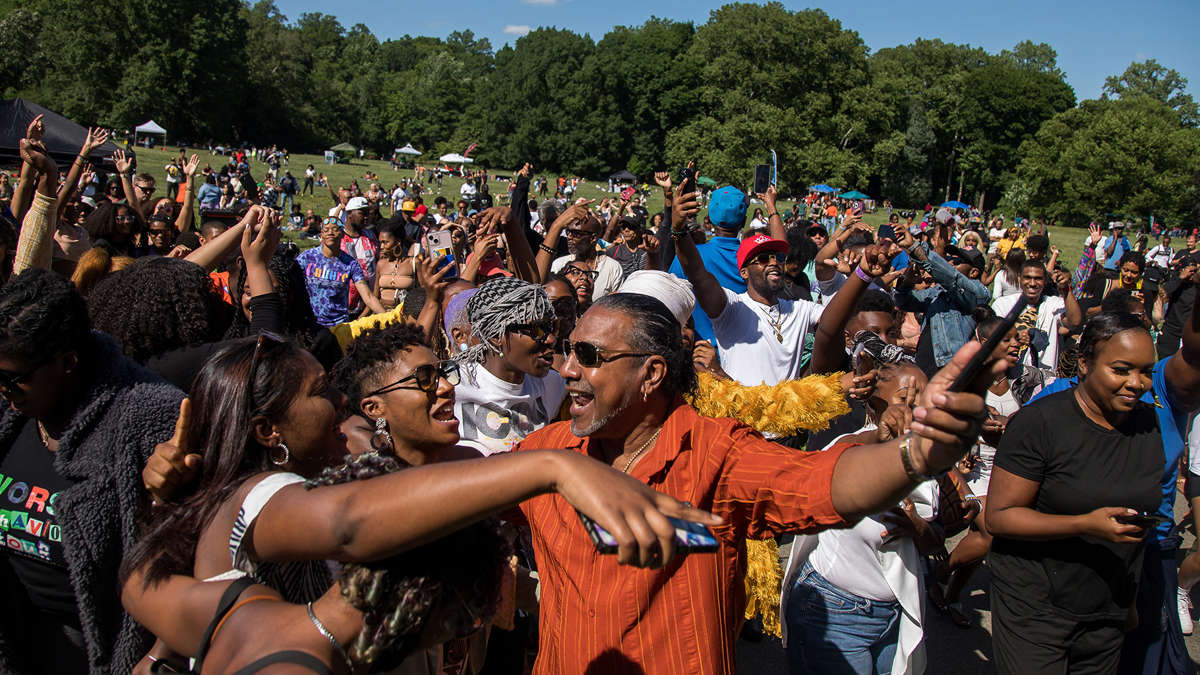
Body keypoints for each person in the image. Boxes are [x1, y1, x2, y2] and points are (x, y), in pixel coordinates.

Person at [514, 288, 1005, 674]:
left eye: (588, 355)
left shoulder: (715, 456)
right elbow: (478, 494)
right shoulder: (548, 452)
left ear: (652, 373)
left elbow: (822, 483)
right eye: (568, 350)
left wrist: (913, 455)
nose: (568, 369)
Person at [986, 304, 1200, 675]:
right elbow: (1000, 517)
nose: (1136, 383)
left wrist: (1129, 603)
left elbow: (1137, 526)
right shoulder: (1042, 421)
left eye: (1146, 372)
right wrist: (1084, 524)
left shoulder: (1148, 423)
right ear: (1084, 364)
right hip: (1035, 608)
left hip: (1107, 612)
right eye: (1121, 369)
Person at [0, 269, 183, 673]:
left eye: (12, 380)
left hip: (89, 648)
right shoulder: (12, 410)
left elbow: (189, 553)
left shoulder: (149, 417)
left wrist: (160, 654)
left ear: (67, 362)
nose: (3, 390)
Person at [782, 358, 940, 675]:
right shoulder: (851, 446)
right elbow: (834, 460)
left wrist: (917, 527)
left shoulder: (928, 458)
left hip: (893, 615)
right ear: (876, 402)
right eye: (906, 398)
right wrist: (881, 440)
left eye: (925, 398)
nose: (917, 407)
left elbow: (935, 544)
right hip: (833, 611)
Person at [452, 277, 564, 456]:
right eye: (536, 330)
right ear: (497, 336)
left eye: (552, 327)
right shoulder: (452, 387)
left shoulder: (555, 385)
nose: (550, 339)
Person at [667, 185, 750, 343]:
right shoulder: (755, 260)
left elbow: (671, 298)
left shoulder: (688, 257)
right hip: (743, 349)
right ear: (744, 221)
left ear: (709, 220)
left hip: (699, 350)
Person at [298, 217, 386, 327]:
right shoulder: (307, 257)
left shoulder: (350, 263)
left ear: (342, 234)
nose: (330, 233)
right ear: (321, 234)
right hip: (312, 323)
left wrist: (388, 318)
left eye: (335, 229)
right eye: (326, 230)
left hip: (339, 325)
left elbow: (368, 296)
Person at [991, 259, 1069, 375]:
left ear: (1045, 280)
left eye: (1038, 278)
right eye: (1027, 277)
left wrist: (1066, 291)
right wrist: (1015, 337)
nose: (1032, 283)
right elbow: (991, 339)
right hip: (1009, 375)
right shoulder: (1002, 304)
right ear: (1019, 278)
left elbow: (1074, 322)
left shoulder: (1054, 304)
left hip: (1045, 377)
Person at [547, 202, 624, 299]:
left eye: (576, 234)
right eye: (568, 232)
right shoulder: (559, 265)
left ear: (593, 238)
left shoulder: (612, 268)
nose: (569, 237)